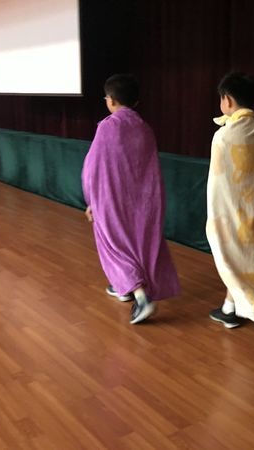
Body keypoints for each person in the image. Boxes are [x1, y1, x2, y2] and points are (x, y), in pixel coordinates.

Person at [82, 73, 181, 324]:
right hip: (145, 200)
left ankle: (140, 296)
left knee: (113, 244)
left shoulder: (107, 127)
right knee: (140, 243)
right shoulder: (145, 128)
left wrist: (91, 200)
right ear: (135, 102)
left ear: (111, 100)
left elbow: (92, 167)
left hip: (112, 199)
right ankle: (124, 285)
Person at [206, 72, 254, 352]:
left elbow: (218, 185)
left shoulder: (224, 136)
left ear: (227, 100)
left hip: (234, 212)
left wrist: (216, 220)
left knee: (232, 257)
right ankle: (230, 309)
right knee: (251, 260)